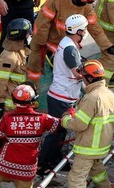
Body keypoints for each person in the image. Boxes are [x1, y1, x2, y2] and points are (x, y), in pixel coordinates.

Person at [60, 60, 114, 188]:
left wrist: (66, 119)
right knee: (97, 171)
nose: (82, 80)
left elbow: (79, 125)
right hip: (101, 146)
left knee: (76, 179)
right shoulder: (109, 94)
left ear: (91, 79)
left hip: (88, 147)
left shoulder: (92, 98)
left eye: (83, 77)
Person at [27, 0, 109, 87]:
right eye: (82, 2)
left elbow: (94, 27)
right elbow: (43, 22)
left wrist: (107, 45)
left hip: (65, 45)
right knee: (34, 67)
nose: (83, 5)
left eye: (85, 3)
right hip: (46, 39)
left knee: (64, 71)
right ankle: (32, 91)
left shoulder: (86, 6)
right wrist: (40, 42)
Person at [37, 14, 88, 175]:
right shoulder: (70, 49)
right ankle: (42, 163)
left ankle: (55, 159)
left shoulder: (68, 44)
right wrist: (91, 74)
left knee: (61, 131)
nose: (86, 31)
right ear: (79, 31)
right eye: (84, 29)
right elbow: (77, 73)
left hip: (62, 95)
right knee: (56, 132)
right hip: (61, 97)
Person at [0, 19, 30, 122]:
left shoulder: (19, 51)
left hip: (17, 103)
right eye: (28, 33)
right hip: (8, 109)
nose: (30, 35)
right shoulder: (9, 57)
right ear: (22, 36)